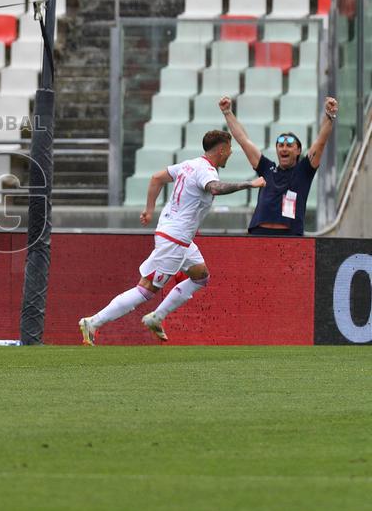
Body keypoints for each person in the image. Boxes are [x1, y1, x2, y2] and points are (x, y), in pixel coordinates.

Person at [79, 131, 266, 344]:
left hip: (176, 235)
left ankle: (156, 317)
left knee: (201, 276)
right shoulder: (206, 171)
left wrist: (149, 210)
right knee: (146, 290)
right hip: (174, 239)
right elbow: (215, 188)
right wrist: (249, 184)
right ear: (222, 149)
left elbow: (156, 178)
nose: (231, 153)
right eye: (230, 149)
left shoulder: (189, 164)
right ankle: (93, 322)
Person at [219, 95, 338, 236]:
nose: (284, 148)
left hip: (290, 236)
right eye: (280, 145)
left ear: (298, 150)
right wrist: (227, 112)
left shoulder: (304, 170)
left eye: (289, 145)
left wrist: (329, 116)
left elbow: (320, 141)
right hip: (259, 234)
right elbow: (243, 141)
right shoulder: (266, 168)